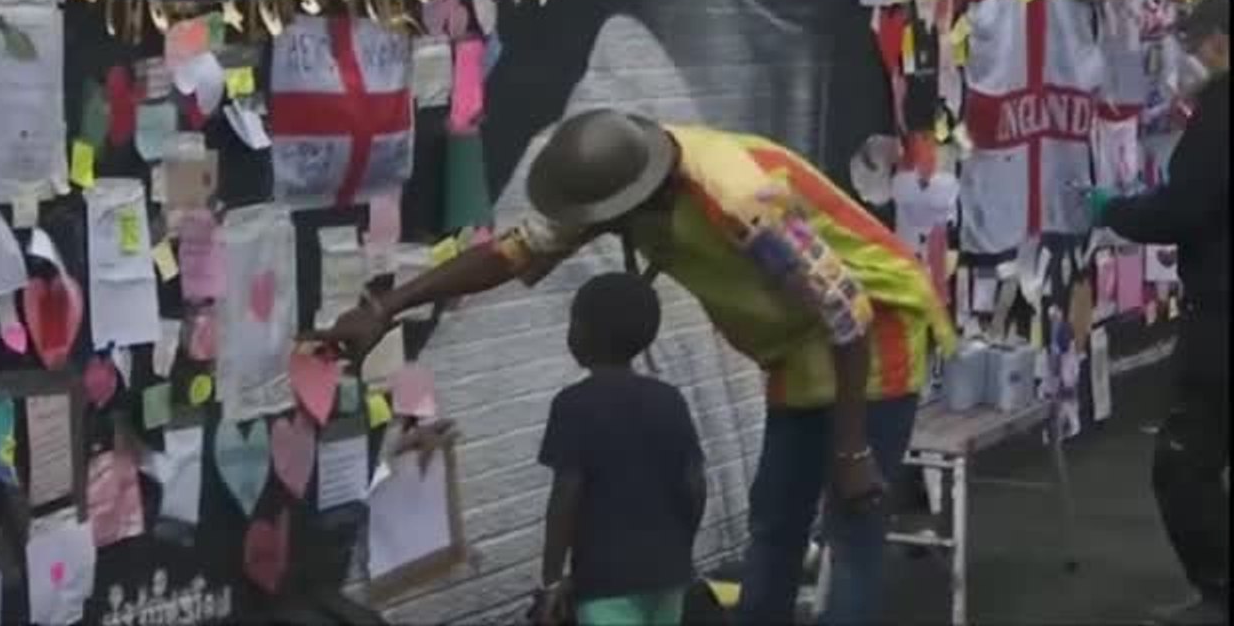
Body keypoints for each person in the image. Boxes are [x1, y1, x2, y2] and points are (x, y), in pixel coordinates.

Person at [305, 109, 956, 624]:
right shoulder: (625, 179)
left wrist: (849, 451)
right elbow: (511, 253)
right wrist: (387, 307)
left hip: (875, 332)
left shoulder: (739, 200)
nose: (585, 230)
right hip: (795, 348)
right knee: (776, 524)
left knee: (853, 530)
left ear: (632, 197)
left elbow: (846, 310)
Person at [1088, 0, 1229, 626]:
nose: (1193, 56)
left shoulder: (1222, 115)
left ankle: (1221, 592)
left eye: (1198, 43)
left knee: (1182, 463)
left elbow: (1184, 209)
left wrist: (1114, 210)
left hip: (1223, 320)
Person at [535, 273, 706, 626]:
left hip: (605, 580)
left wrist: (551, 579)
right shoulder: (669, 399)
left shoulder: (572, 405)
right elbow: (695, 485)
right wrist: (680, 547)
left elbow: (566, 494)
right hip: (668, 575)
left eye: (573, 321)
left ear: (584, 333)